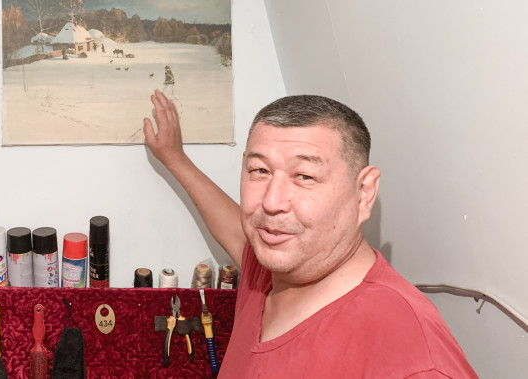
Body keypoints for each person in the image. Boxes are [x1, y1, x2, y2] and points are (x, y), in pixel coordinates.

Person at [143, 90, 478, 378]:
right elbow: (233, 228)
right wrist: (175, 158)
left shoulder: (413, 360)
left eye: (304, 176)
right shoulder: (273, 265)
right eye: (260, 170)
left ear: (364, 192)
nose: (271, 202)